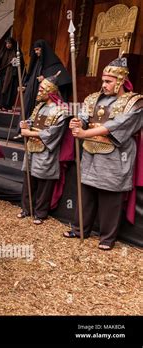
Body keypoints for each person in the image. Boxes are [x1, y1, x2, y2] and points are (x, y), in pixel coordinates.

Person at [63, 57, 143, 250]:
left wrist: (85, 133)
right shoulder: (93, 98)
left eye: (108, 81)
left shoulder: (134, 102)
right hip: (91, 153)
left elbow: (117, 125)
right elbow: (83, 117)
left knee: (110, 197)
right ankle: (79, 228)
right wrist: (77, 123)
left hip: (115, 156)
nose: (104, 85)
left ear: (121, 80)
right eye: (103, 80)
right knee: (86, 193)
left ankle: (107, 238)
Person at [17, 73, 73, 224]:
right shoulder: (39, 106)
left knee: (44, 184)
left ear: (51, 91)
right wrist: (25, 124)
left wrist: (28, 132)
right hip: (32, 149)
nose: (38, 92)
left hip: (46, 151)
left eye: (42, 89)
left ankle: (40, 213)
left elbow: (53, 133)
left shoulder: (61, 111)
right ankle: (26, 209)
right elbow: (32, 120)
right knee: (28, 180)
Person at [22, 40, 72, 121]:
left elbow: (62, 79)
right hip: (33, 94)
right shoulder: (36, 62)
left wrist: (46, 79)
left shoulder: (53, 63)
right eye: (35, 50)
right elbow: (31, 77)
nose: (36, 52)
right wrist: (25, 85)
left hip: (46, 99)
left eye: (38, 49)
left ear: (43, 49)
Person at [0, 37, 23, 111]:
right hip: (2, 73)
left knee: (8, 90)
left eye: (9, 43)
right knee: (0, 89)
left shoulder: (16, 53)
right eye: (7, 43)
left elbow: (20, 64)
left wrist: (15, 61)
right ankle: (0, 104)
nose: (8, 45)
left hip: (11, 74)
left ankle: (6, 106)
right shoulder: (3, 51)